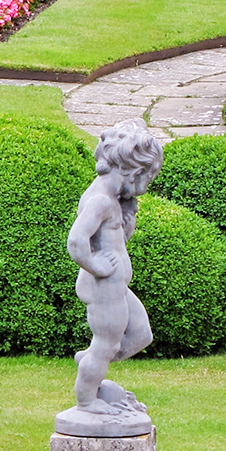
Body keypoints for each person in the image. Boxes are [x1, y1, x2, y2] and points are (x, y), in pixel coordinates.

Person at [65, 119, 162, 421]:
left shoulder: (113, 202)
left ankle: (92, 363)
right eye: (147, 178)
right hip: (104, 286)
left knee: (141, 335)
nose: (145, 187)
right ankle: (86, 402)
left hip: (117, 285)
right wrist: (95, 265)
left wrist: (127, 221)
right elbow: (76, 240)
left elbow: (114, 239)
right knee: (107, 343)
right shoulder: (100, 201)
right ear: (133, 171)